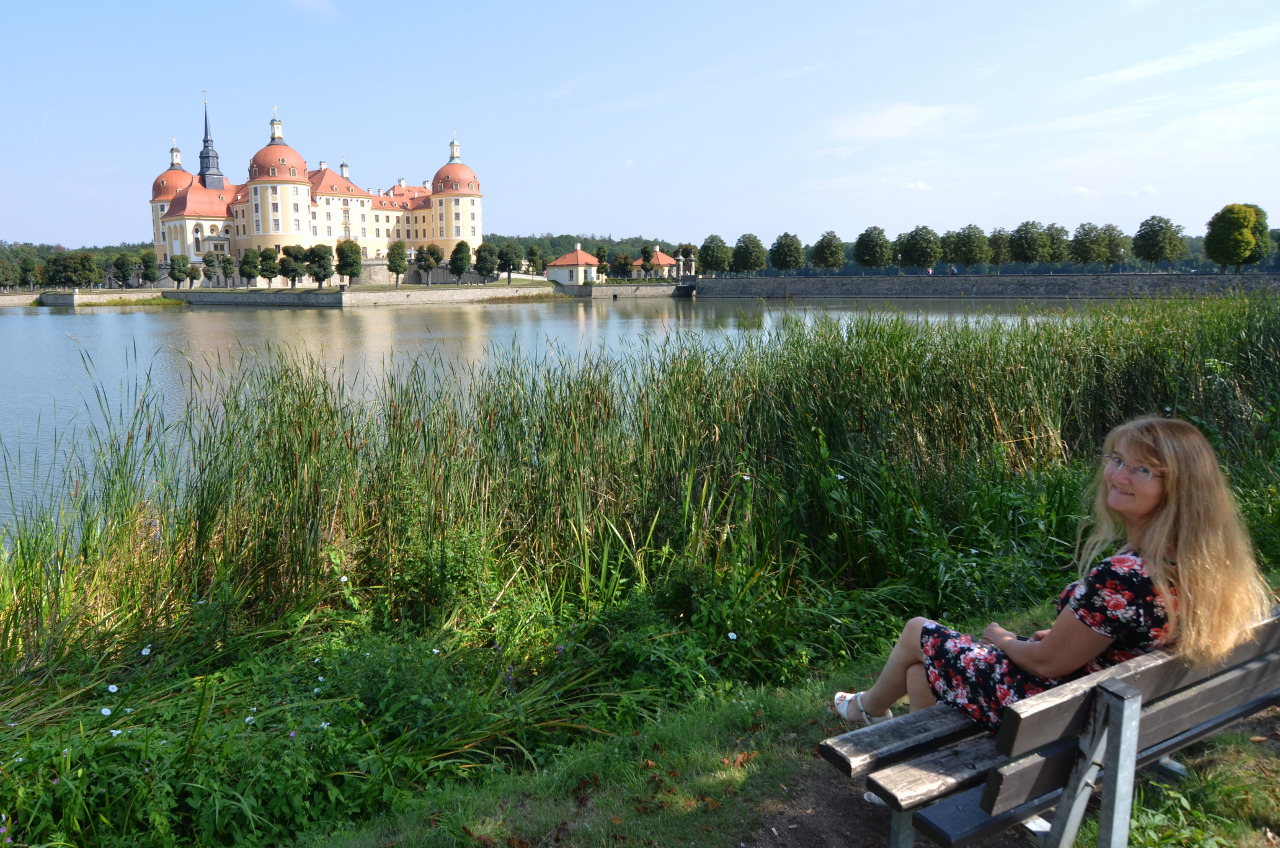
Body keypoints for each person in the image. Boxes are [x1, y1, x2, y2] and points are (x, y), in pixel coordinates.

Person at [833, 417, 1272, 734]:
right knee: (919, 674)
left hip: (1054, 714)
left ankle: (864, 710)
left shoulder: (1125, 575)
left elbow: (1046, 664)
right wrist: (1072, 640)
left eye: (1143, 470)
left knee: (917, 634)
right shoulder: (1199, 560)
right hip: (1111, 706)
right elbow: (1134, 633)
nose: (1118, 475)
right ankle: (912, 754)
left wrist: (1004, 639)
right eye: (1116, 459)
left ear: (1177, 486)